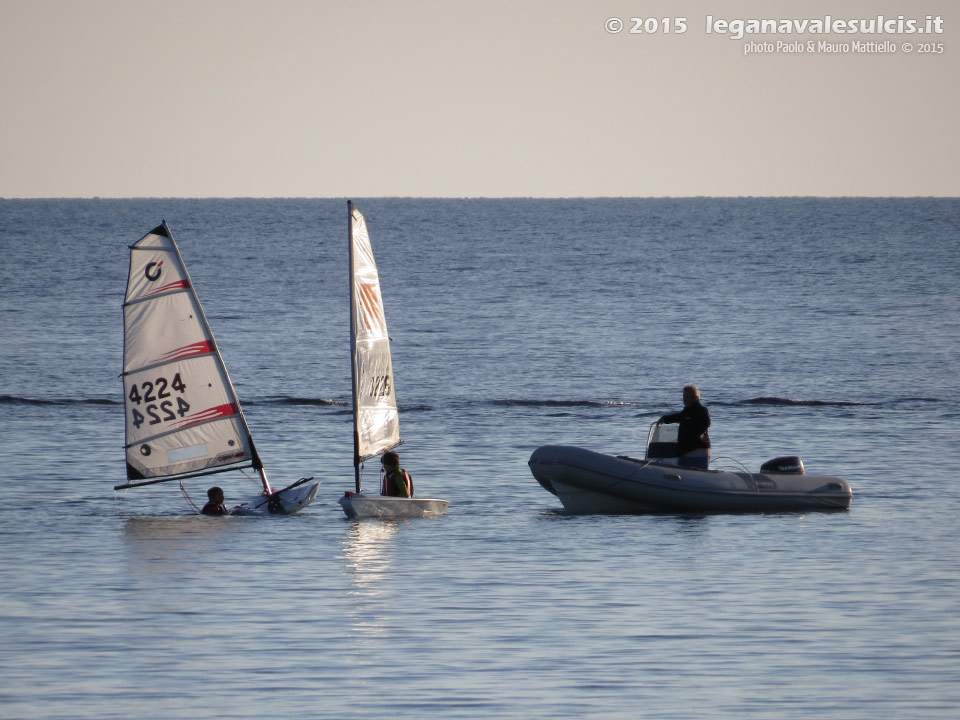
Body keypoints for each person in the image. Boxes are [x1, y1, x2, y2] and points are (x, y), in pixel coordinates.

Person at [658, 384, 711, 470]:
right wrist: (665, 419)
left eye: (687, 397)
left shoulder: (701, 410)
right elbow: (678, 417)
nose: (684, 399)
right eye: (684, 396)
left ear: (695, 397)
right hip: (685, 451)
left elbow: (706, 423)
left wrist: (699, 434)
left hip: (697, 450)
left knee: (694, 475)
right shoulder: (687, 411)